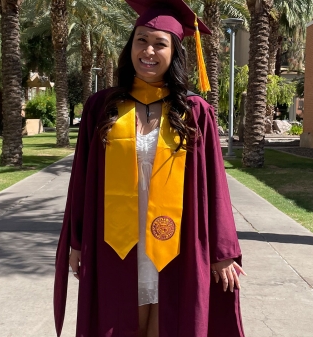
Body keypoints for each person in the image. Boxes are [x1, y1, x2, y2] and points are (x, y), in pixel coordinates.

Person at [54, 0, 245, 336]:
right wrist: (77, 242)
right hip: (116, 245)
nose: (149, 51)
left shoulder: (194, 110)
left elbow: (215, 184)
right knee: (120, 323)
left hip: (179, 245)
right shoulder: (102, 106)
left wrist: (223, 250)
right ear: (131, 46)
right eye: (141, 40)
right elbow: (82, 181)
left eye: (160, 43)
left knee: (173, 322)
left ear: (174, 52)